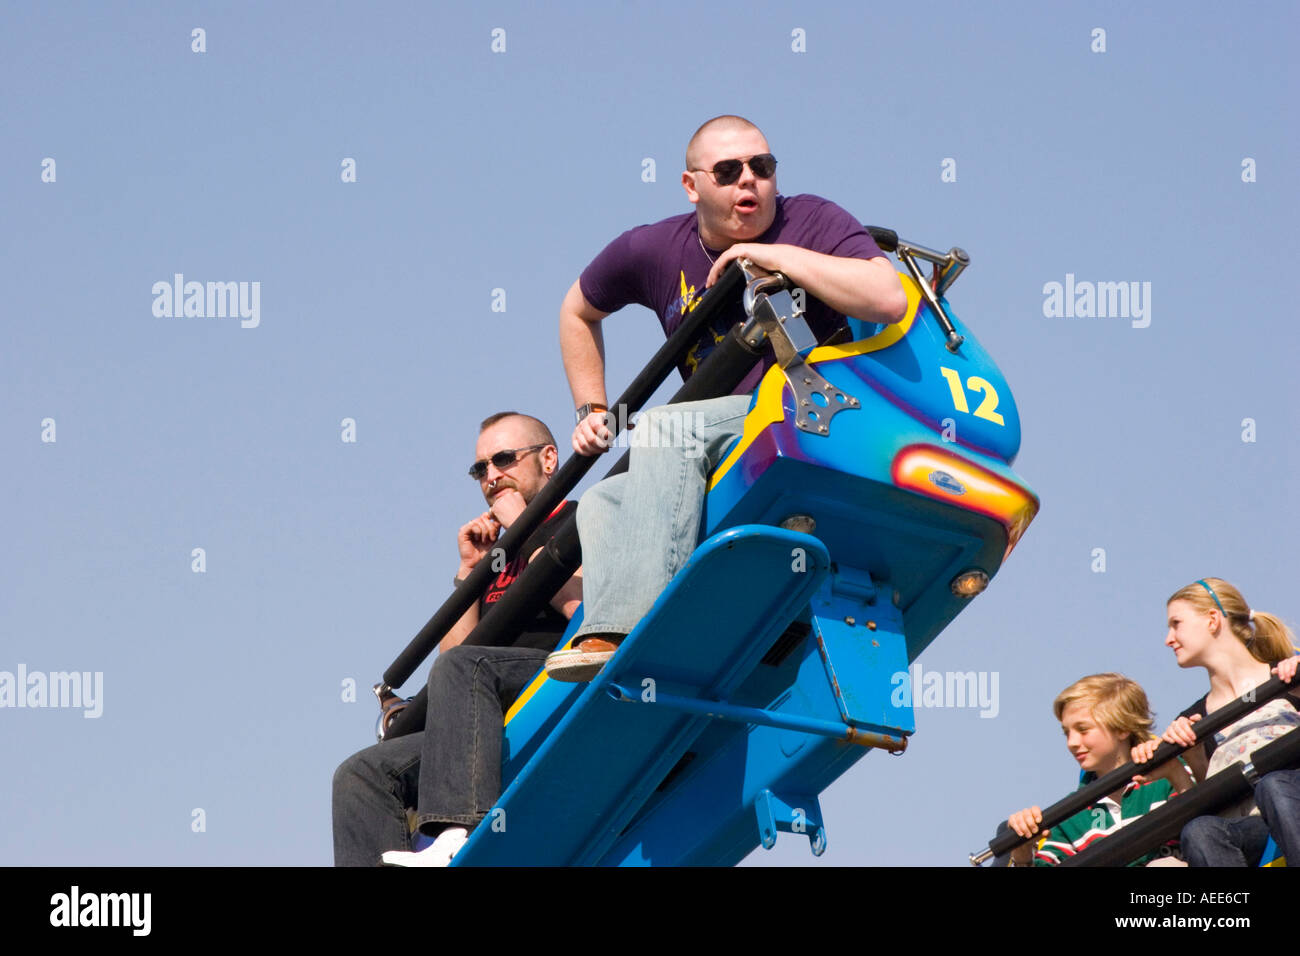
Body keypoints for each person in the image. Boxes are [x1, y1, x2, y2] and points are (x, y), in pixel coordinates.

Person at [544, 114, 908, 682]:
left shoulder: (810, 217)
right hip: (731, 429)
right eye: (728, 170)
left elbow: (888, 296)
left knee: (666, 427)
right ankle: (617, 640)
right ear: (692, 186)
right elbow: (577, 309)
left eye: (762, 167)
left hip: (816, 412)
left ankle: (627, 632)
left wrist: (777, 258)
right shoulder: (651, 248)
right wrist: (593, 408)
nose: (749, 181)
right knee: (602, 502)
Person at [332, 412, 582, 866]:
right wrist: (470, 574)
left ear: (548, 459)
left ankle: (458, 837)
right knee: (360, 773)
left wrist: (526, 527)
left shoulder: (580, 518)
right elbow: (455, 658)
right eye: (480, 469)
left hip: (560, 675)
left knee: (465, 669)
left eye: (504, 459)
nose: (491, 476)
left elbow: (581, 606)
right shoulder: (497, 556)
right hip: (485, 704)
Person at [1137, 578, 1300, 867]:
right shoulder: (1196, 719)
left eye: (1176, 624)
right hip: (1258, 829)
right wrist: (1189, 758)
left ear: (1212, 620)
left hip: (1292, 799)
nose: (1168, 639)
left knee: (1274, 786)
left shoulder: (1286, 675)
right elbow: (1213, 801)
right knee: (1200, 832)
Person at [1005, 673, 1192, 866]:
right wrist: (1022, 854)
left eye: (1083, 730)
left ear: (1122, 728)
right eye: (1067, 733)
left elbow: (1202, 828)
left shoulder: (1168, 773)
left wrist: (1176, 773)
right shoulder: (1071, 815)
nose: (1072, 743)